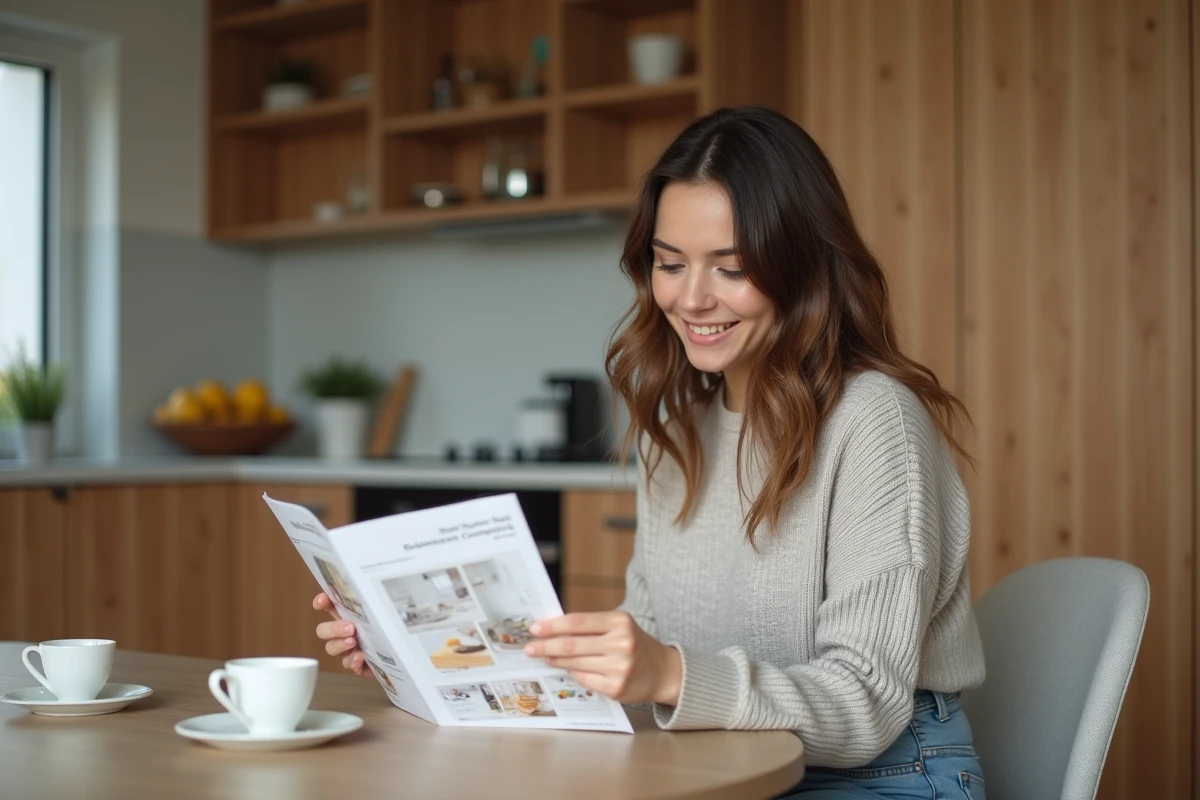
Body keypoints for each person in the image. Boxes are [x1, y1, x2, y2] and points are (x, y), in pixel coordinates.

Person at [313, 106, 987, 799]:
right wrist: (421, 648)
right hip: (728, 762)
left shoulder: (873, 420)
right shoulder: (680, 433)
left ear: (804, 267)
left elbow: (865, 704)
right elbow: (646, 650)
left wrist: (669, 674)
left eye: (732, 268)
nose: (691, 298)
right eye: (670, 263)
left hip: (890, 774)